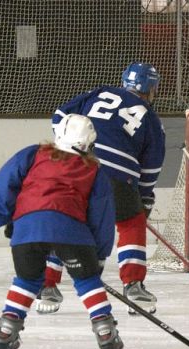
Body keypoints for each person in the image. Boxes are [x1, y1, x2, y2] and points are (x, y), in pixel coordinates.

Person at [0, 114, 123, 349]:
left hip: (28, 229)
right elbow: (101, 216)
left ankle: (6, 330)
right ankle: (105, 330)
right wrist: (99, 255)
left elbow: (3, 184)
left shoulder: (32, 154)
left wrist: (6, 218)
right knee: (87, 281)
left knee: (27, 281)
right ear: (89, 143)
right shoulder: (94, 171)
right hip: (71, 231)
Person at [41, 62, 165, 314]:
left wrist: (68, 145)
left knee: (65, 220)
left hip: (78, 166)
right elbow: (152, 164)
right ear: (151, 89)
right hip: (118, 175)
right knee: (132, 222)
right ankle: (133, 285)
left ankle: (47, 286)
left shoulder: (99, 92)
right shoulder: (150, 118)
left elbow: (59, 116)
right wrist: (144, 198)